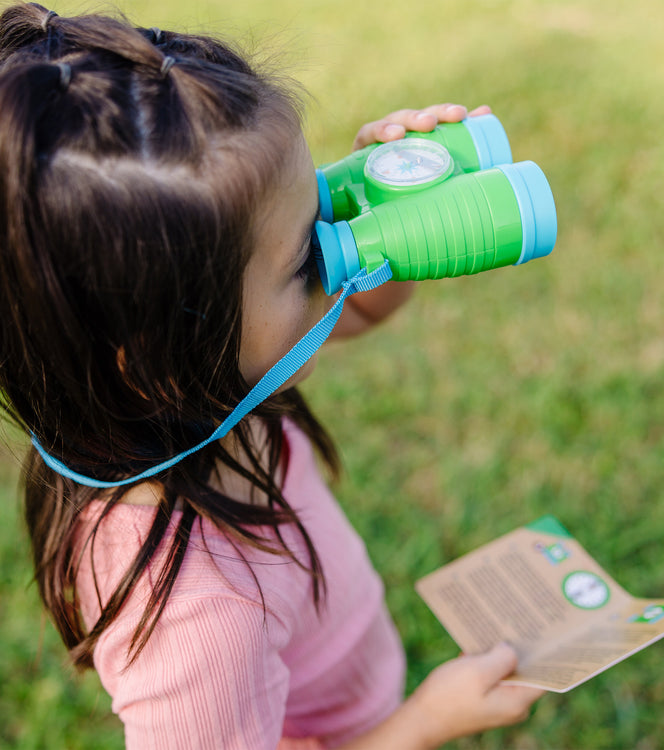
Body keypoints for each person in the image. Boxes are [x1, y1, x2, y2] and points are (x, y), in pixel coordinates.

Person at [0, 3, 545, 748]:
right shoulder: (200, 617)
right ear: (166, 357)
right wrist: (422, 723)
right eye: (308, 261)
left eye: (325, 204)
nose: (337, 257)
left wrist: (385, 215)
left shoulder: (196, 399)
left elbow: (356, 311)